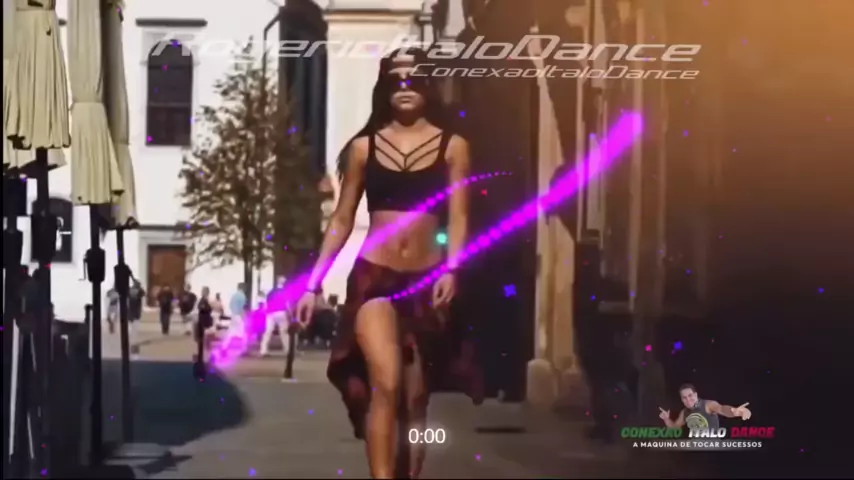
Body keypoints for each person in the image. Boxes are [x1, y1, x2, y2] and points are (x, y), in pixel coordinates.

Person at [295, 48, 483, 479]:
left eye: (413, 78)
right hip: (374, 278)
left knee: (415, 399)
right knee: (388, 382)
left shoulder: (454, 147)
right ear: (384, 88)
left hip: (427, 280)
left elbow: (459, 216)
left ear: (428, 85)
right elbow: (342, 218)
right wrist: (312, 284)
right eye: (395, 79)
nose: (405, 86)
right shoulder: (364, 148)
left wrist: (453, 268)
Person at [659, 383, 752, 430]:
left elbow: (722, 409)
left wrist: (734, 412)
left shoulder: (708, 405)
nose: (688, 400)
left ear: (696, 395)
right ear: (682, 400)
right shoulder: (684, 412)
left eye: (690, 396)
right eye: (684, 398)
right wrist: (666, 419)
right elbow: (674, 427)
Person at [260, 276, 292, 357]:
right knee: (284, 332)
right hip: (281, 312)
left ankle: (263, 350)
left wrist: (265, 312)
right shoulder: (285, 292)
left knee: (268, 332)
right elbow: (287, 304)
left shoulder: (271, 292)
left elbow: (266, 304)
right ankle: (288, 350)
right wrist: (290, 313)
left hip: (270, 313)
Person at [128, 280, 145, 354]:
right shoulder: (139, 292)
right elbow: (143, 293)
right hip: (136, 313)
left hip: (130, 312)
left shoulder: (129, 290)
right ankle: (133, 343)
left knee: (132, 328)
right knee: (134, 329)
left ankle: (132, 343)